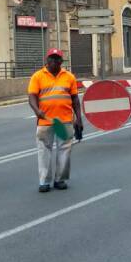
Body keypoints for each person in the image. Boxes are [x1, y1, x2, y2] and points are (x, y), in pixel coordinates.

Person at [28, 49, 82, 193]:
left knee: (64, 150)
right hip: (46, 121)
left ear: (61, 62)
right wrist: (36, 110)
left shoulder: (69, 77)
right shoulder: (38, 76)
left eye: (57, 59)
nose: (54, 61)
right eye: (51, 58)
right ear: (47, 60)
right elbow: (32, 96)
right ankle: (44, 181)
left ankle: (60, 179)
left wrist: (79, 119)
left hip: (64, 121)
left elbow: (75, 100)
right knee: (44, 150)